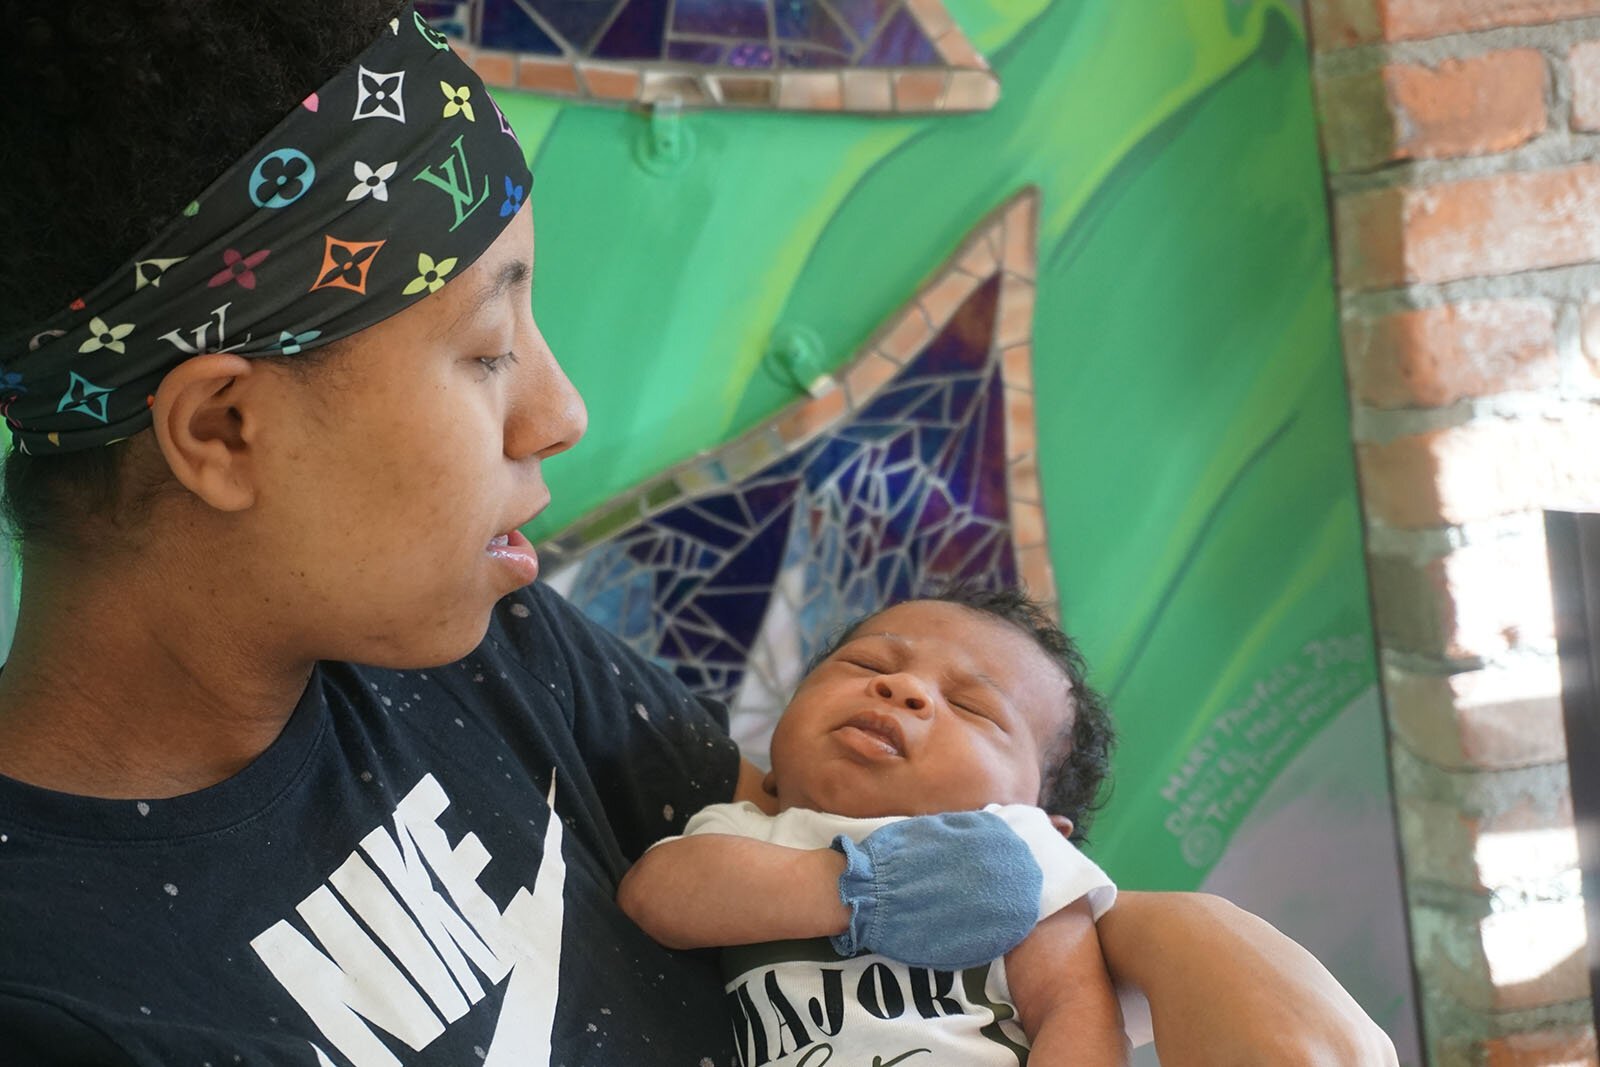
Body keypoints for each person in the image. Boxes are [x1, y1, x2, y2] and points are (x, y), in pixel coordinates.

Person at [0, 3, 1400, 1065]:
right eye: (488, 345)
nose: (559, 405)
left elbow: (856, 855)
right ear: (224, 431)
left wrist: (1168, 925)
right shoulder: (54, 987)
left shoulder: (495, 656)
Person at [619, 588, 1128, 1066]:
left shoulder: (1020, 854)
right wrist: (868, 888)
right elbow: (652, 898)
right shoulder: (745, 832)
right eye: (867, 664)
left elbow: (1074, 1010)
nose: (903, 687)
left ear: (1041, 824)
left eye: (972, 706)